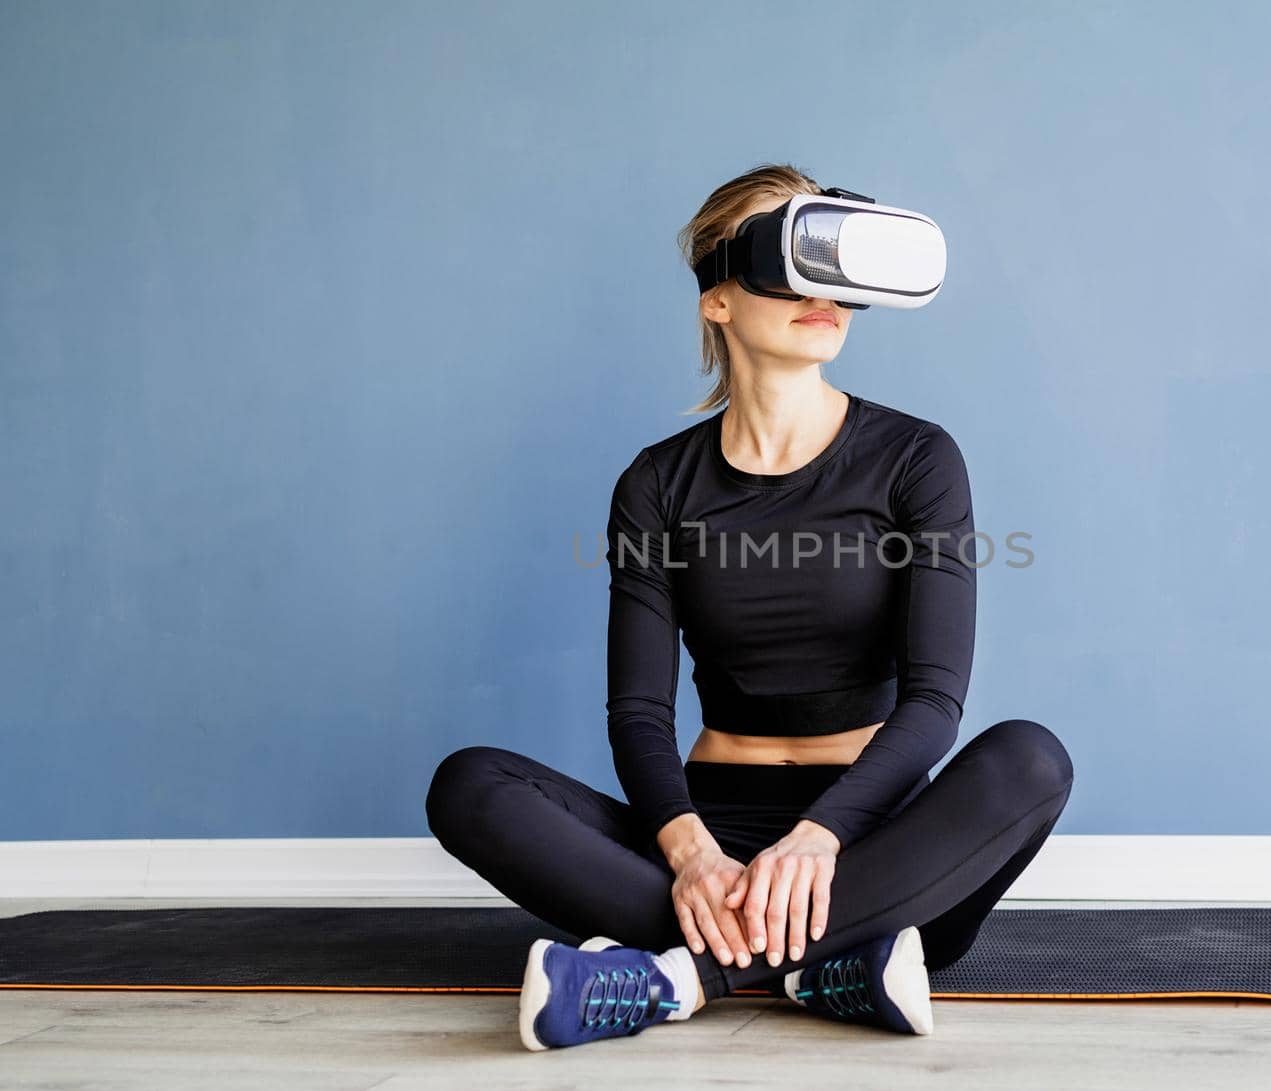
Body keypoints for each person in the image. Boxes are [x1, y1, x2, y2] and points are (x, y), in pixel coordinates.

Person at [425, 163, 1074, 1051]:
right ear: (717, 300)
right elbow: (639, 713)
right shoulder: (656, 484)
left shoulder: (918, 460)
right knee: (470, 785)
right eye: (790, 257)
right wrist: (690, 850)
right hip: (711, 822)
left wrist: (818, 837)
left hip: (878, 839)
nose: (823, 293)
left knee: (1030, 761)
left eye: (835, 267)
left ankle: (677, 976)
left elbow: (933, 704)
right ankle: (833, 968)